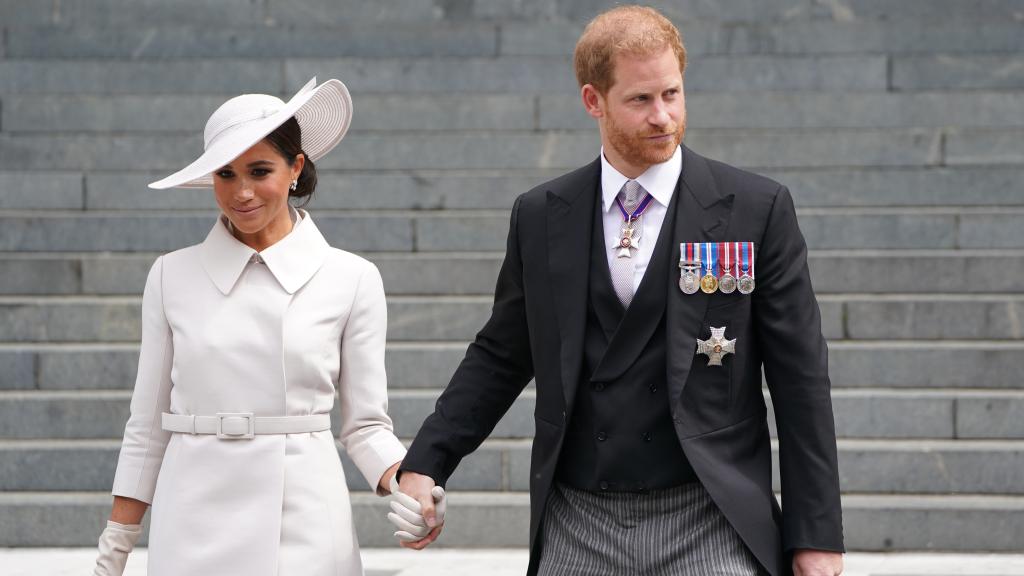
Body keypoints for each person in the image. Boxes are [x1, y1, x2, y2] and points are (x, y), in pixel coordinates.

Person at [391, 6, 845, 576]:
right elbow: (502, 353)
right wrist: (426, 462)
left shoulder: (755, 208)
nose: (664, 117)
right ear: (593, 101)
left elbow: (801, 379)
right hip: (578, 520)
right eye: (640, 100)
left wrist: (816, 537)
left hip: (711, 515)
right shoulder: (541, 215)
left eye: (673, 94)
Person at [92, 78, 408, 576]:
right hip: (191, 513)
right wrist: (119, 538)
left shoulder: (352, 278)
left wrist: (408, 483)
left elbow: (366, 426)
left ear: (295, 167)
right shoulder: (170, 276)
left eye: (259, 171)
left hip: (305, 518)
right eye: (225, 174)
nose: (240, 192)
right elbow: (148, 424)